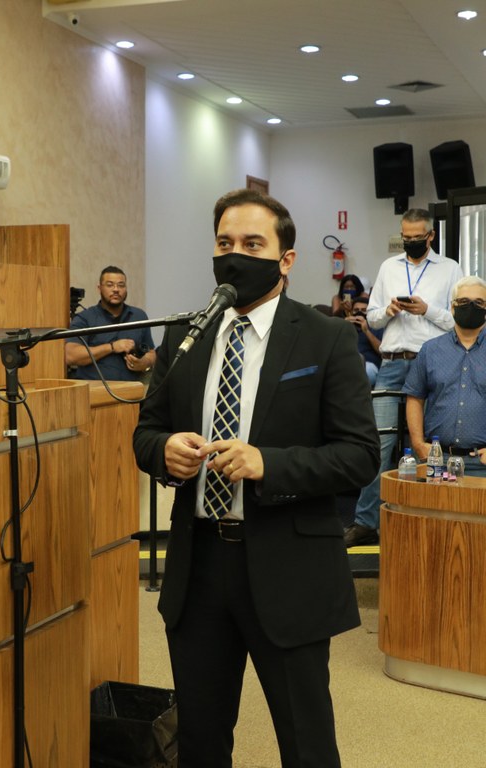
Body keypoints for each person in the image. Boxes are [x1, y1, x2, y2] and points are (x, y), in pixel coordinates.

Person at [133, 188, 380, 768]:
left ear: (285, 259)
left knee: (306, 743)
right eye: (224, 244)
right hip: (198, 568)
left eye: (252, 244)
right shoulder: (186, 333)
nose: (234, 256)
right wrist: (164, 451)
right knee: (200, 740)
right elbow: (147, 431)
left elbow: (360, 455)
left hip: (288, 566)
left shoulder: (326, 338)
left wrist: (269, 463)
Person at [344, 208, 463, 548]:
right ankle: (366, 521)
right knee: (378, 443)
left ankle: (428, 516)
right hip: (393, 362)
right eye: (405, 237)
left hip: (433, 363)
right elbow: (373, 318)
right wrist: (389, 310)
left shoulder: (450, 269)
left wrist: (427, 310)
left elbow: (458, 320)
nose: (410, 242)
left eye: (416, 238)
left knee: (430, 444)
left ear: (430, 236)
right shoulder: (389, 267)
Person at [403, 275, 486, 475]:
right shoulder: (430, 350)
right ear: (452, 307)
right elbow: (415, 398)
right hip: (437, 461)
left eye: (479, 303)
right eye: (464, 301)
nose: (471, 307)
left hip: (482, 464)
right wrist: (418, 444)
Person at [65, 265, 156, 381]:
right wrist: (111, 347)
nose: (116, 289)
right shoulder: (85, 318)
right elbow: (71, 355)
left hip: (131, 388)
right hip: (94, 388)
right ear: (99, 288)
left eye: (121, 285)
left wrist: (143, 362)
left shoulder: (139, 316)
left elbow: (151, 353)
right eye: (110, 285)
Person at [345, 296, 382, 387]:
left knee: (366, 371)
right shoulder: (345, 326)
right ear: (351, 312)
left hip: (369, 365)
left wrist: (366, 331)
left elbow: (381, 351)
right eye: (356, 310)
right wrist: (343, 326)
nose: (359, 312)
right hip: (347, 363)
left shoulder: (377, 327)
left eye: (364, 310)